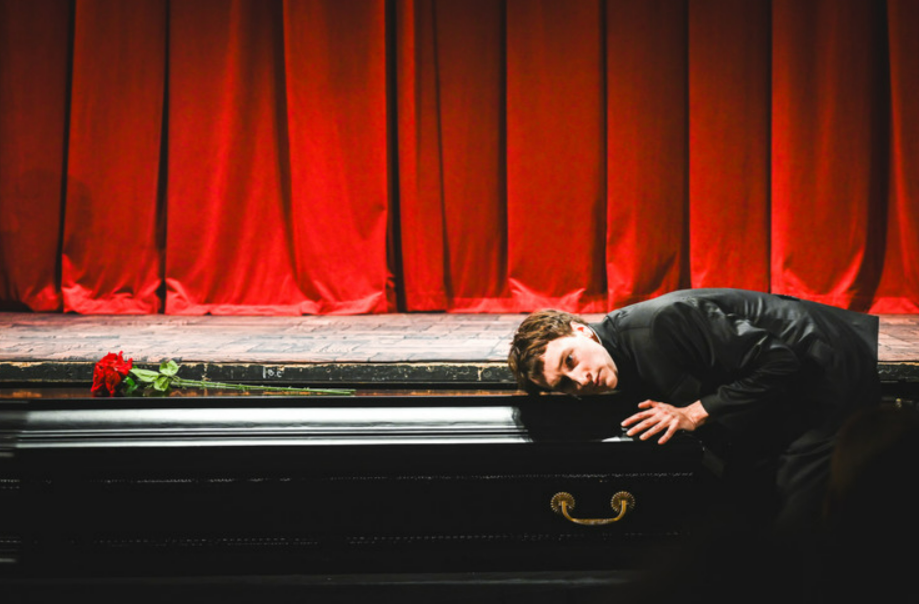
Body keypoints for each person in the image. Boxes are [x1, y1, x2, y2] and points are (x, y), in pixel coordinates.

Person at [507, 288, 880, 549]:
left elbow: (778, 361)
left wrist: (695, 412)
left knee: (792, 513)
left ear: (581, 330)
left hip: (825, 367)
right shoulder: (613, 357)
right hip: (779, 394)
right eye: (564, 384)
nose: (580, 380)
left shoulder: (661, 323)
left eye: (570, 360)